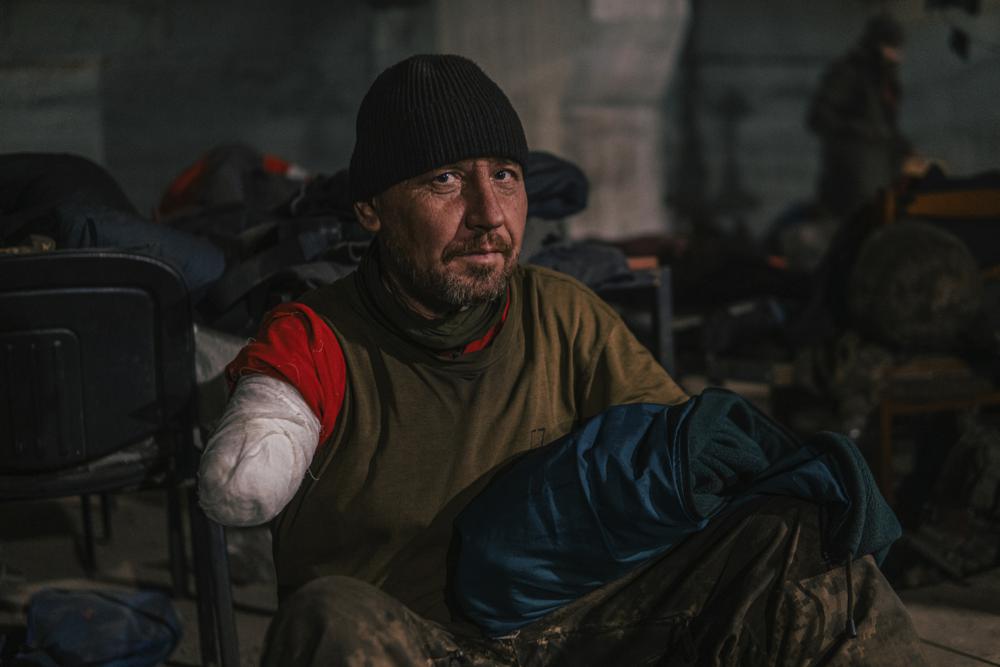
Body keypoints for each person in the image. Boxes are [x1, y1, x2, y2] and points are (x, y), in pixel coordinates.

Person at [198, 54, 927, 665]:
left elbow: (677, 461)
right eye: (445, 180)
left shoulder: (560, 309)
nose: (489, 213)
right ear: (371, 210)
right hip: (423, 646)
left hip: (578, 630)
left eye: (506, 176)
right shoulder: (322, 334)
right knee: (329, 615)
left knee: (801, 545)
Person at [807, 14, 929, 219]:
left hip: (878, 177)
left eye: (898, 49)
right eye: (893, 48)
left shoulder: (884, 78)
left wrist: (906, 148)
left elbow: (887, 126)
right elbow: (819, 117)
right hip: (850, 179)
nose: (898, 56)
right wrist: (861, 133)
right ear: (879, 45)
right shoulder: (849, 72)